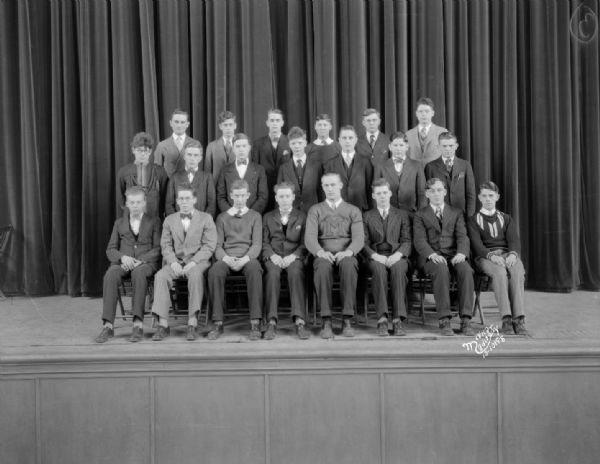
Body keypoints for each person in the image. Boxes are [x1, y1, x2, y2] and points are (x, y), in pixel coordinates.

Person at [150, 185, 217, 341]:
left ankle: (192, 323)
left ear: (194, 200)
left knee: (194, 276)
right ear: (177, 201)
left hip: (198, 261)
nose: (184, 202)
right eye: (181, 199)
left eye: (188, 198)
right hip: (176, 261)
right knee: (160, 276)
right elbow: (165, 245)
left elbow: (209, 246)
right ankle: (163, 325)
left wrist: (193, 262)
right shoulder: (169, 219)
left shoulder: (206, 218)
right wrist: (172, 262)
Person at [95, 187, 162, 343]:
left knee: (138, 273)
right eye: (132, 202)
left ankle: (137, 325)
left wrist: (141, 260)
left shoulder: (154, 221)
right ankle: (108, 326)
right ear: (127, 204)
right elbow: (110, 249)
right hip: (123, 263)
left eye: (138, 202)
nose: (135, 205)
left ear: (144, 203)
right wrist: (123, 257)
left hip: (145, 264)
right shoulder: (119, 223)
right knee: (110, 275)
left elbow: (158, 249)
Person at [305, 173, 364, 338]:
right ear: (322, 187)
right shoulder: (315, 210)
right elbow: (309, 238)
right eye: (326, 186)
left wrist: (348, 252)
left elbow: (359, 238)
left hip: (346, 253)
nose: (330, 189)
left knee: (349, 266)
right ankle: (326, 320)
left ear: (340, 185)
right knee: (322, 268)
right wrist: (320, 252)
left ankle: (347, 319)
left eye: (333, 185)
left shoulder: (353, 210)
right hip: (323, 253)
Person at [413, 178, 475, 336]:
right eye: (432, 191)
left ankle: (466, 319)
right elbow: (419, 240)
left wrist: (461, 253)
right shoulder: (420, 214)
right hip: (431, 258)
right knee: (440, 269)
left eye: (439, 190)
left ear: (445, 192)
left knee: (466, 270)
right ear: (427, 194)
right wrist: (432, 254)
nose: (436, 194)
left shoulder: (456, 212)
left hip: (454, 255)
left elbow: (463, 236)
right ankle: (444, 319)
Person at [467, 181, 528, 335]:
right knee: (500, 273)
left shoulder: (506, 218)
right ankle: (506, 318)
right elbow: (477, 245)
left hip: (507, 254)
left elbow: (514, 240)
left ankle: (519, 319)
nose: (488, 199)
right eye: (484, 196)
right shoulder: (474, 220)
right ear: (479, 198)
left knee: (517, 272)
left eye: (491, 196)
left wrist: (513, 254)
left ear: (497, 197)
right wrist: (492, 257)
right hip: (485, 257)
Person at [207, 180, 263, 340]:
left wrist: (245, 259)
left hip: (248, 257)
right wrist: (226, 259)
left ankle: (255, 321)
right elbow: (217, 245)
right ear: (231, 196)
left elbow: (257, 244)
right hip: (227, 257)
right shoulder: (222, 217)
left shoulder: (255, 216)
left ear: (248, 196)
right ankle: (217, 322)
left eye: (242, 196)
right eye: (236, 196)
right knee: (215, 272)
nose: (239, 199)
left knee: (255, 270)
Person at [362, 179, 412, 336]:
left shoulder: (401, 215)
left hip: (397, 255)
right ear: (373, 196)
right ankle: (382, 319)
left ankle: (398, 319)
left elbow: (407, 241)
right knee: (378, 271)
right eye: (379, 194)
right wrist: (376, 256)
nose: (382, 196)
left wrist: (398, 255)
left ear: (390, 193)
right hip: (376, 257)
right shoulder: (367, 216)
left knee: (398, 271)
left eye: (385, 193)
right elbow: (363, 243)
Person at [262, 182, 310, 340]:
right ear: (276, 198)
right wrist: (272, 255)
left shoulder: (302, 216)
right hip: (273, 256)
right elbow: (263, 241)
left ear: (293, 197)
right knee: (272, 275)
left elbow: (305, 243)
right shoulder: (268, 217)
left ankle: (299, 320)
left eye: (287, 196)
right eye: (281, 196)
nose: (284, 199)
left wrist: (294, 255)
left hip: (294, 256)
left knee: (296, 273)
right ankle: (271, 321)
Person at [117, 132, 169, 219]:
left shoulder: (160, 171)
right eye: (139, 150)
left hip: (155, 219)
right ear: (133, 150)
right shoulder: (123, 172)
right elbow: (121, 198)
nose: (142, 154)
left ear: (150, 151)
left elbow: (165, 197)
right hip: (132, 220)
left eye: (146, 150)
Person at [424, 131, 476, 218]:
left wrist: (470, 216)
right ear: (438, 147)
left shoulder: (465, 165)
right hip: (439, 215)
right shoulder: (430, 166)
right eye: (444, 146)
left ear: (456, 146)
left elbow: (470, 193)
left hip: (461, 214)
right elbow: (427, 194)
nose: (448, 149)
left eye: (451, 146)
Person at [373, 131, 426, 214]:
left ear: (407, 147)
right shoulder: (381, 166)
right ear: (390, 147)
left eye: (401, 145)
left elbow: (422, 193)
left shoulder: (417, 165)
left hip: (411, 213)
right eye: (395, 145)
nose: (398, 148)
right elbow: (376, 192)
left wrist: (420, 215)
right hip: (389, 214)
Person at [322, 125, 373, 212]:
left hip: (361, 209)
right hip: (337, 210)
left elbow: (369, 188)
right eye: (344, 138)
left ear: (356, 140)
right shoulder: (330, 164)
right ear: (339, 140)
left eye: (350, 138)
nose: (347, 141)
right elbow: (325, 190)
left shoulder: (365, 162)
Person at [216, 133, 269, 214]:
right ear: (233, 149)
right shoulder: (224, 170)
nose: (241, 149)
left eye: (244, 146)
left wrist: (250, 214)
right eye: (238, 146)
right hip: (230, 218)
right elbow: (221, 197)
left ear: (249, 148)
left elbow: (263, 197)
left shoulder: (259, 170)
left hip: (252, 218)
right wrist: (232, 212)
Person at [251, 109, 290, 211]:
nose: (274, 123)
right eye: (272, 120)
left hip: (285, 191)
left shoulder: (290, 142)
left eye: (277, 120)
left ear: (282, 123)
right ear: (267, 123)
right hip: (264, 190)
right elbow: (255, 169)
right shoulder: (257, 144)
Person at [276, 126, 323, 213]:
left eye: (300, 143)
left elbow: (321, 192)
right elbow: (279, 193)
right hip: (291, 213)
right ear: (289, 145)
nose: (297, 146)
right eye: (293, 143)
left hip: (313, 212)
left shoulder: (317, 165)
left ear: (305, 143)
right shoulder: (283, 168)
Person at [165, 142, 216, 217]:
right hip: (179, 224)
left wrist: (203, 222)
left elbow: (212, 204)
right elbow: (169, 205)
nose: (192, 158)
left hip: (201, 223)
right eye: (189, 155)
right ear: (184, 156)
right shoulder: (174, 177)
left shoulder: (207, 177)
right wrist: (176, 223)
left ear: (200, 158)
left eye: (195, 155)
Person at [153, 109, 200, 177]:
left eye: (182, 122)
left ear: (187, 124)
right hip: (168, 185)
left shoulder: (195, 144)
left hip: (189, 185)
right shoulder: (162, 145)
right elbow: (157, 172)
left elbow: (199, 171)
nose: (179, 125)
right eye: (176, 122)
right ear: (171, 123)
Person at [406, 97, 448, 167]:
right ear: (416, 114)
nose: (423, 114)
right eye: (421, 111)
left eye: (427, 111)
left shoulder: (443, 132)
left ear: (432, 113)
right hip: (415, 175)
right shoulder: (408, 134)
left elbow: (448, 156)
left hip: (436, 175)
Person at [204, 110, 237, 181]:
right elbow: (207, 173)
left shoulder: (242, 145)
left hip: (237, 189)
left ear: (235, 126)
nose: (228, 128)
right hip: (217, 189)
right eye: (225, 125)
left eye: (230, 125)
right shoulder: (211, 147)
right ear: (220, 126)